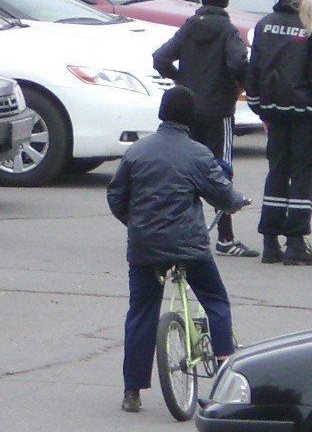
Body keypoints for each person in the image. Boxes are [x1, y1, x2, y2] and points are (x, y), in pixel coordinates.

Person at [107, 86, 250, 413]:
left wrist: (137, 224)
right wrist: (237, 201)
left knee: (141, 312)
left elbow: (116, 197)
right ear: (191, 117)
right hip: (189, 247)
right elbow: (224, 197)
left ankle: (132, 390)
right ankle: (225, 370)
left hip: (144, 248)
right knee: (215, 299)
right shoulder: (198, 154)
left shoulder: (136, 152)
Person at [244, 0, 312, 266]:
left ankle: (270, 242)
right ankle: (297, 242)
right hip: (306, 113)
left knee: (276, 171)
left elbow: (255, 70)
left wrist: (258, 107)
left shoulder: (265, 24)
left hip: (274, 110)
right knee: (301, 174)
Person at [152, 0, 252, 256]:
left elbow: (160, 58)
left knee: (184, 170)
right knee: (221, 172)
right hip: (219, 111)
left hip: (189, 112)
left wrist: (181, 81)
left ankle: (178, 231)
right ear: (226, 0)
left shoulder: (189, 27)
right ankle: (226, 238)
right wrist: (238, 87)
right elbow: (237, 64)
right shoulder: (228, 31)